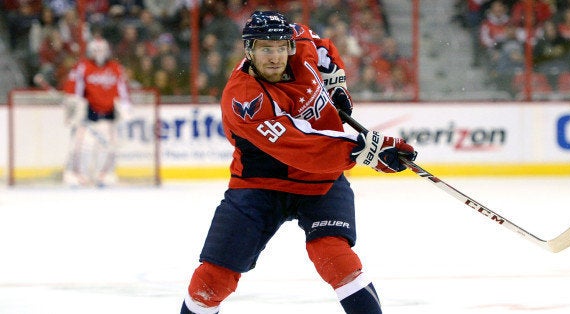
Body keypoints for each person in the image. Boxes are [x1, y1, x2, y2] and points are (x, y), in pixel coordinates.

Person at [179, 11, 417, 314]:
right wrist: (364, 150)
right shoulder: (244, 98)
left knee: (335, 259)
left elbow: (321, 46)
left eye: (281, 47)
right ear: (249, 50)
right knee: (212, 281)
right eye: (266, 49)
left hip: (321, 181)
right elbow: (303, 146)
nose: (276, 56)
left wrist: (337, 83)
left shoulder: (300, 42)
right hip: (260, 186)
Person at [62, 36, 132, 187]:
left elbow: (123, 90)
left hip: (109, 115)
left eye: (102, 50)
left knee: (108, 147)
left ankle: (104, 175)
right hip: (88, 115)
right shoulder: (83, 67)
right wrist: (74, 109)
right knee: (81, 146)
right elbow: (74, 91)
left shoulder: (115, 68)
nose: (99, 53)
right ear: (90, 51)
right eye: (96, 50)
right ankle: (77, 175)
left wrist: (125, 108)